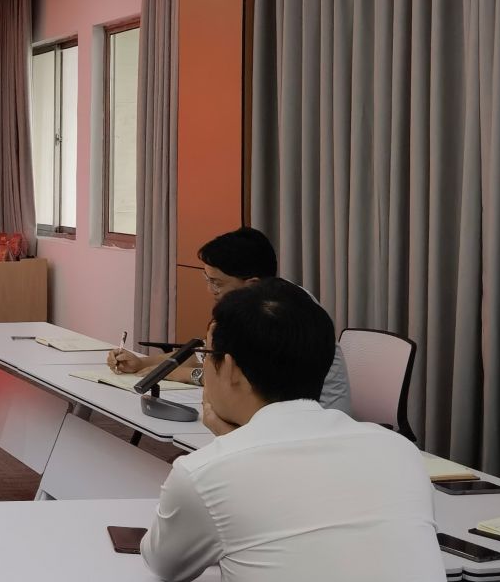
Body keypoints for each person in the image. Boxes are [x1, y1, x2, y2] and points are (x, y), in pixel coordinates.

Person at [140, 280, 443, 581]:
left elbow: (164, 565)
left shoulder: (202, 474)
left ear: (230, 369)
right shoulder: (401, 452)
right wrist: (234, 441)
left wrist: (231, 444)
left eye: (207, 354)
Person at [108, 227, 352, 415]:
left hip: (315, 417)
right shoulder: (253, 303)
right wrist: (142, 363)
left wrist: (183, 374)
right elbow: (208, 355)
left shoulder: (282, 313)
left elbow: (244, 379)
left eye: (217, 283)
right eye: (207, 279)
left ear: (251, 283)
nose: (210, 290)